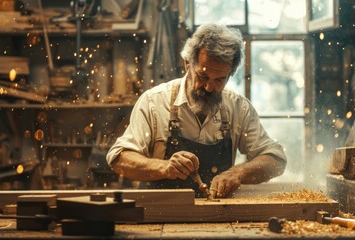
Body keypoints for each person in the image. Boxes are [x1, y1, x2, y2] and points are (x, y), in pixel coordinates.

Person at [106, 23, 287, 198]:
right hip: (159, 213)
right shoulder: (154, 102)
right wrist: (164, 167)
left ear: (230, 73)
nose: (209, 87)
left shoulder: (238, 108)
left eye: (219, 80)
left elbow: (276, 160)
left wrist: (238, 173)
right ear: (187, 64)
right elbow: (118, 159)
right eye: (203, 76)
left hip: (218, 215)